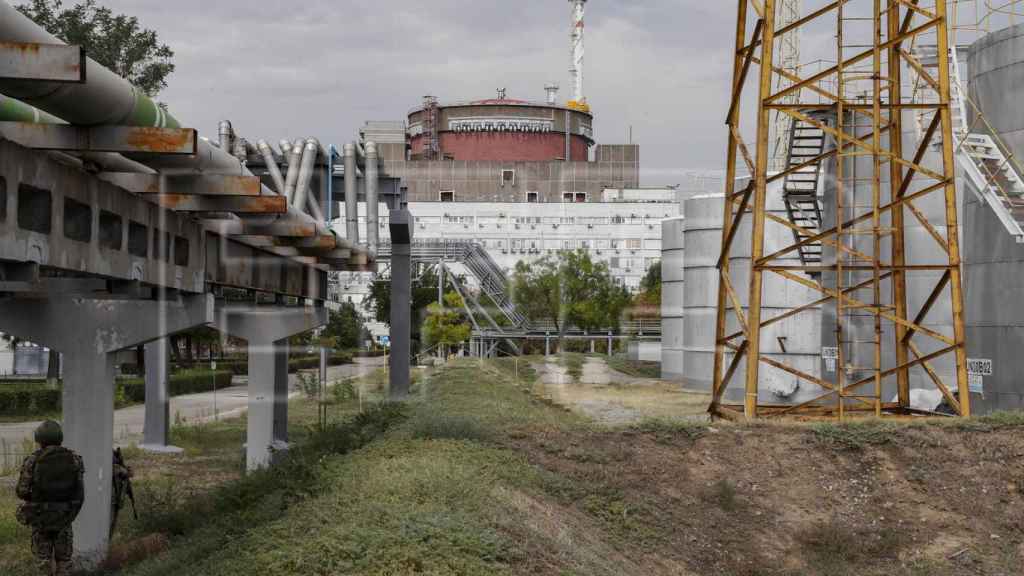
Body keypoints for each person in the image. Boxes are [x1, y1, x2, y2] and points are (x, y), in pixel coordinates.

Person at [15, 420, 85, 576]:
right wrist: (70, 513)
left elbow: (21, 491)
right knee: (64, 563)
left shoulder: (32, 461)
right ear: (60, 438)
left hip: (41, 519)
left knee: (43, 563)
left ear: (39, 440)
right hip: (65, 518)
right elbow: (79, 493)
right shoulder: (75, 459)